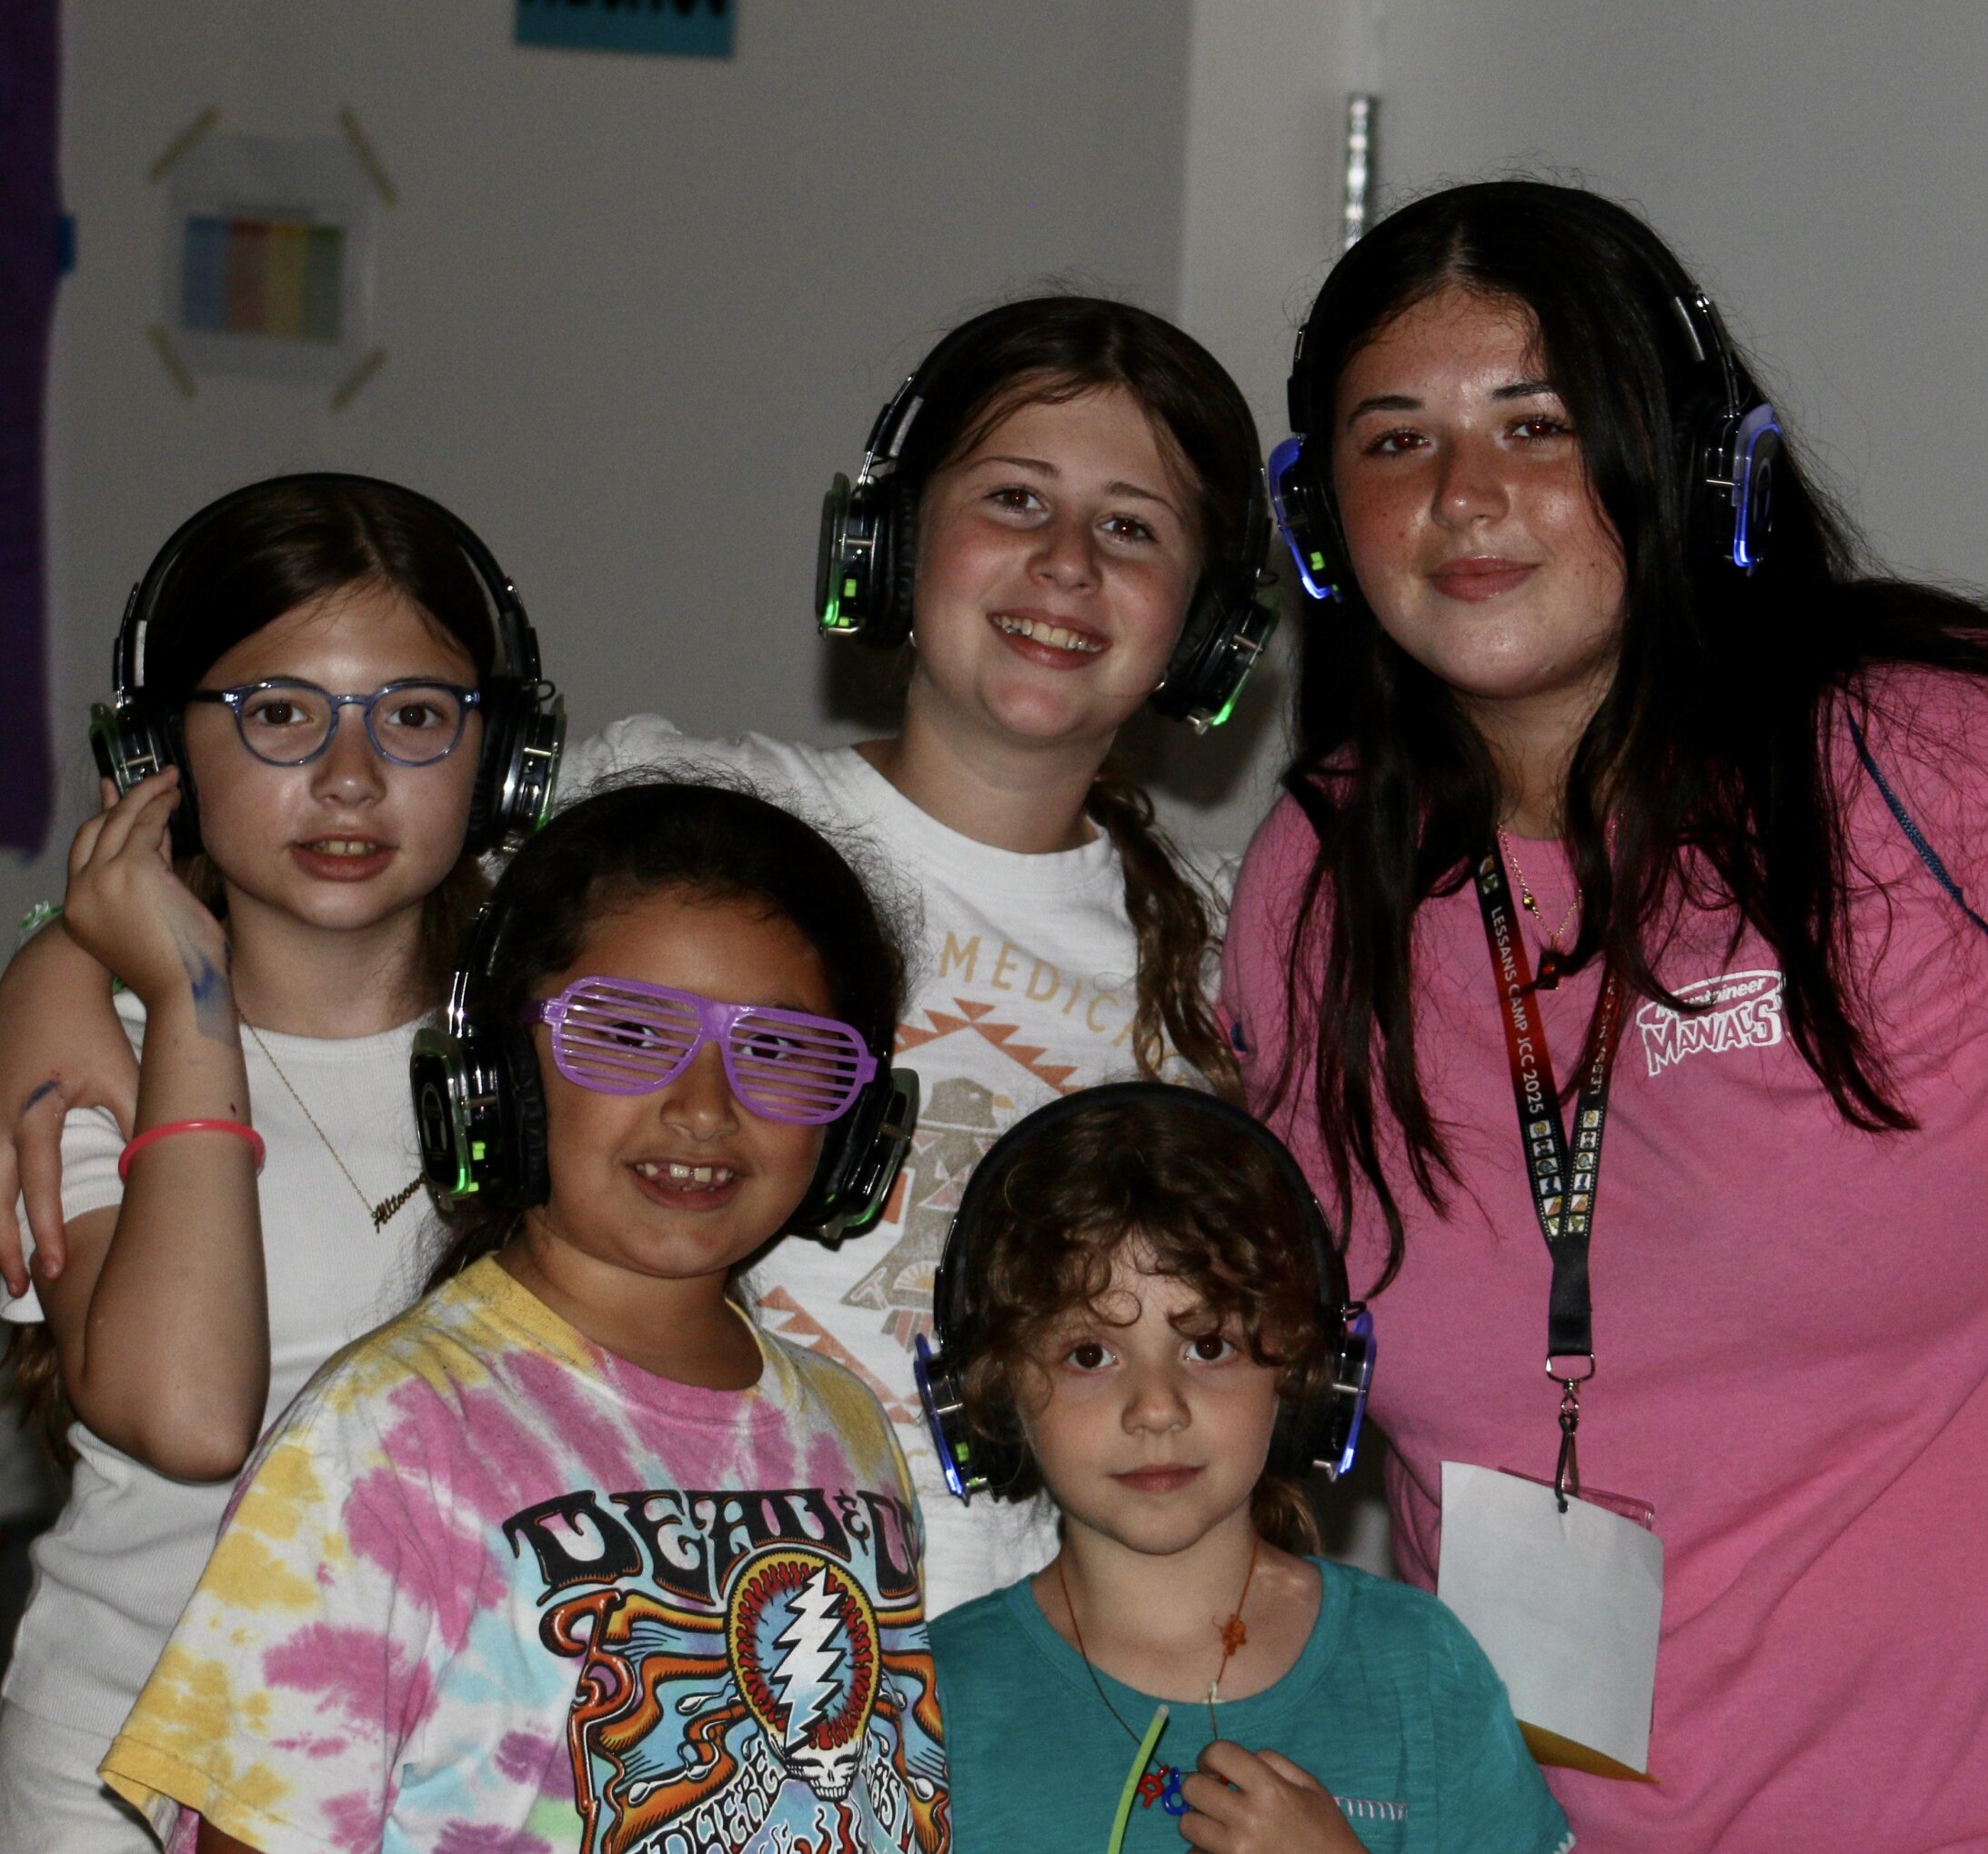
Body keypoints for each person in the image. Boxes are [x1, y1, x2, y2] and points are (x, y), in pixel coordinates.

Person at [1219, 178, 1988, 1853]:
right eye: (1396, 440)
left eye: (1541, 421)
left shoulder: (1950, 770)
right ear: (1316, 523)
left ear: (1693, 463)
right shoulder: (1317, 875)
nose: (1468, 495)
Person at [0, 295, 1267, 1618]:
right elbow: (328, 868)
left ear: (1210, 626)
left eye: (1132, 527)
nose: (1066, 564)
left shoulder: (1242, 947)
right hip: (624, 1659)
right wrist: (57, 971)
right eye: (1014, 499)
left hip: (1010, 1688)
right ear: (885, 546)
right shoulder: (660, 805)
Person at [99, 779, 946, 1854]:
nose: (703, 1104)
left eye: (780, 1050)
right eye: (631, 1032)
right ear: (503, 1074)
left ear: (857, 1122)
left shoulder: (849, 1429)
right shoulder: (388, 1434)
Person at [0, 476, 558, 1854]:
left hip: (476, 1784)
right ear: (155, 751)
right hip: (130, 1777)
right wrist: (188, 1001)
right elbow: (188, 1419)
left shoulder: (573, 1048)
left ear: (502, 762)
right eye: (278, 713)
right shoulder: (89, 1058)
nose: (353, 777)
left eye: (416, 717)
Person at [919, 1081, 1568, 1854]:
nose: (1156, 1408)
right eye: (1089, 1354)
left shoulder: (1418, 1668)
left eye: (1209, 1346)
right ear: (988, 1392)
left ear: (1304, 1378)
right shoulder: (931, 1704)